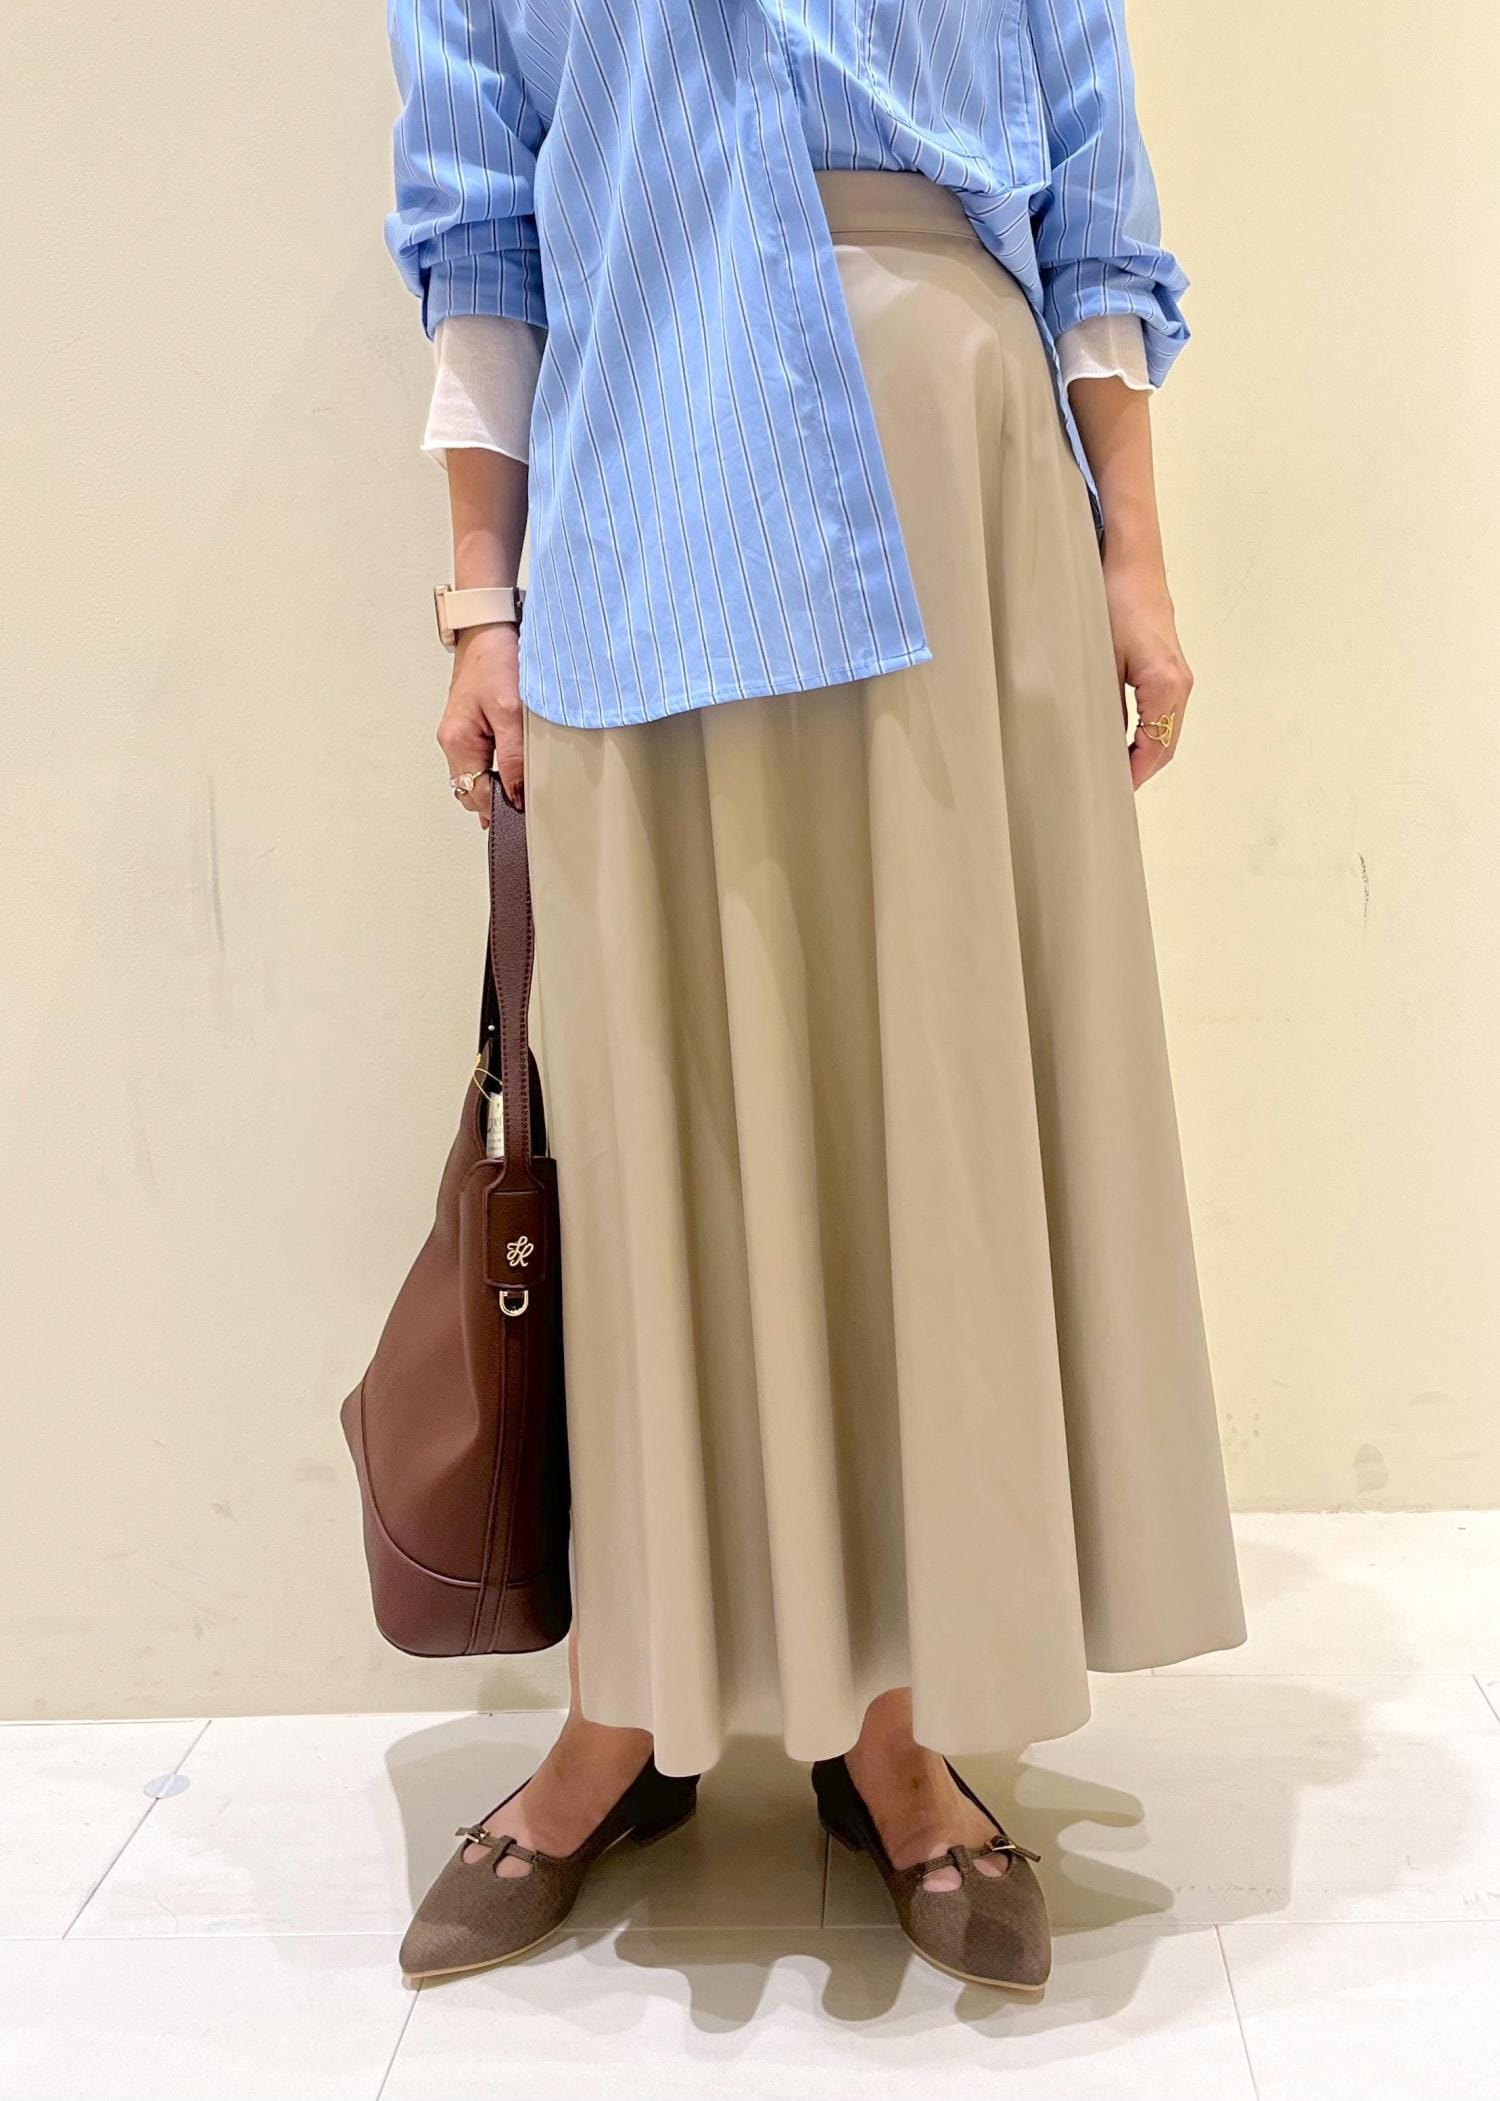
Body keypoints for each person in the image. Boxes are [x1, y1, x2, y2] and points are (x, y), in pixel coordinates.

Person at [381, 0, 1246, 1995]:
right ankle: (630, 1704)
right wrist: (479, 601)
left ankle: (898, 1717)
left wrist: (1133, 556)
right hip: (645, 454)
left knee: (925, 1105)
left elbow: (1090, 182)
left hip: (957, 475)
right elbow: (479, 220)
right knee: (664, 1112)